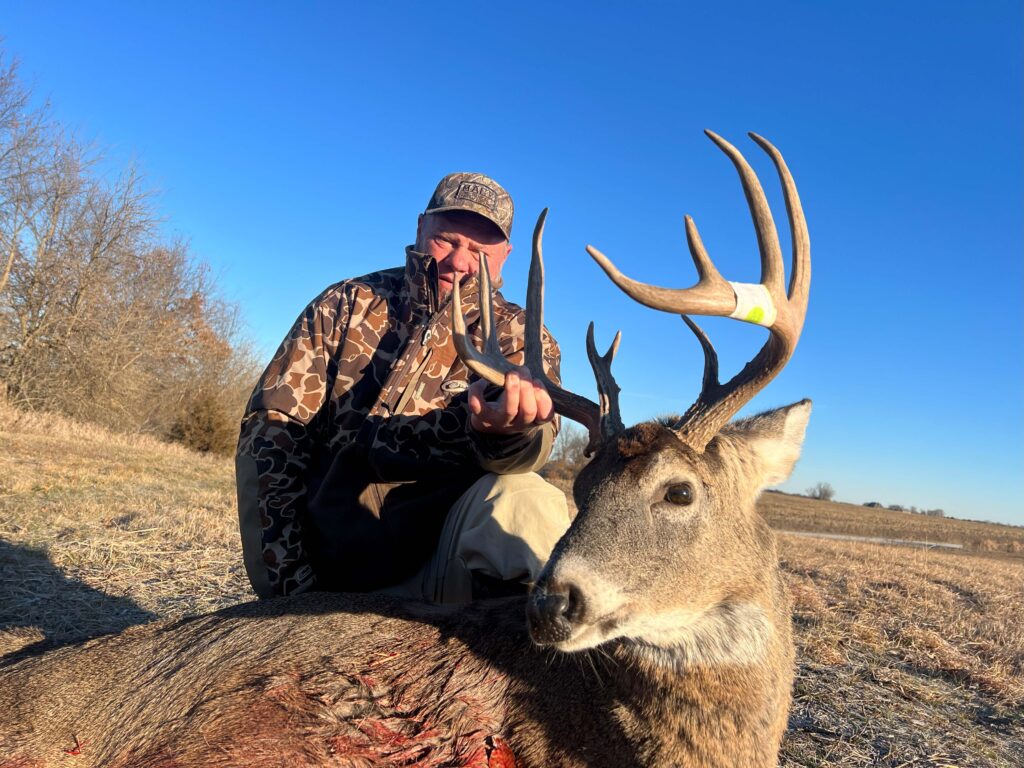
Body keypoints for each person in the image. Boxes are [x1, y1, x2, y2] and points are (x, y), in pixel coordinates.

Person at [236, 173, 571, 602]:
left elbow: (535, 446)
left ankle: (505, 652)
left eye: (481, 251)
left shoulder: (521, 335)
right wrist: (288, 588)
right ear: (420, 228)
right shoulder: (345, 304)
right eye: (448, 240)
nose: (460, 262)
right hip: (325, 567)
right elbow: (271, 435)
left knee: (527, 498)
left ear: (505, 255)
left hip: (441, 567)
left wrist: (508, 431)